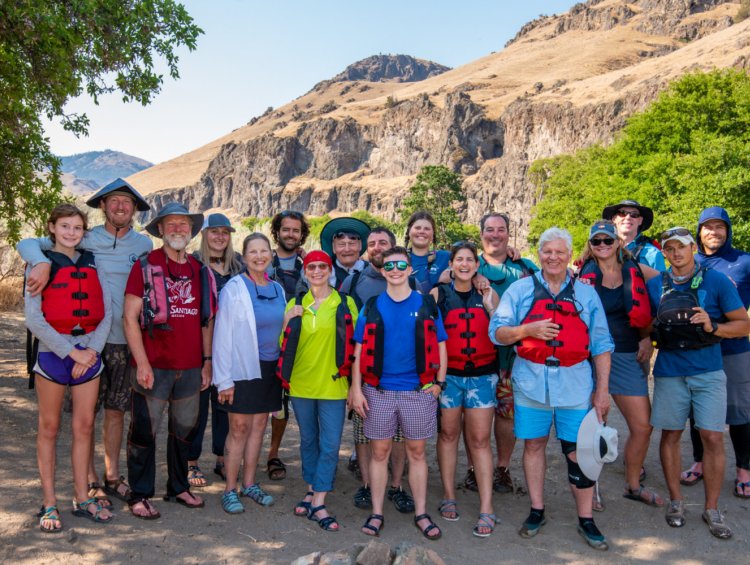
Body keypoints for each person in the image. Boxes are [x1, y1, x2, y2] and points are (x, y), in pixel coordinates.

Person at [18, 178, 152, 506]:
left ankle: (111, 476)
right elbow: (28, 244)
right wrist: (43, 262)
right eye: (114, 201)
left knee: (113, 410)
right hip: (72, 345)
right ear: (102, 206)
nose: (120, 206)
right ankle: (89, 481)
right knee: (78, 417)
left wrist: (92, 349)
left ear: (135, 209)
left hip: (119, 339)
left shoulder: (144, 246)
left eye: (127, 202)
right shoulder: (84, 239)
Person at [490, 227, 614, 551]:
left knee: (580, 451)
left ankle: (586, 517)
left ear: (568, 254)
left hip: (576, 384)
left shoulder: (586, 294)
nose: (553, 257)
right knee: (533, 446)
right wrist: (526, 330)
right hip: (531, 382)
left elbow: (601, 344)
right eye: (547, 252)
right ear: (540, 254)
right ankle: (537, 509)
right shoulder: (520, 290)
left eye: (560, 252)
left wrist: (602, 391)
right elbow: (497, 333)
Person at [648, 227, 750, 539]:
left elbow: (743, 324)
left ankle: (711, 508)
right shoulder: (655, 285)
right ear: (664, 253)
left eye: (682, 247)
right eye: (670, 248)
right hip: (669, 370)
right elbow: (643, 325)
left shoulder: (716, 280)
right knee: (671, 435)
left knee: (713, 438)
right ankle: (676, 502)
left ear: (693, 248)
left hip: (708, 369)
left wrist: (713, 325)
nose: (676, 253)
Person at [122, 202, 215, 519]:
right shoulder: (146, 265)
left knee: (183, 432)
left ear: (191, 231)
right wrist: (143, 363)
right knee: (143, 433)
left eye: (183, 224)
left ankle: (178, 487)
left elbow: (206, 321)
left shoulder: (200, 271)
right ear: (160, 229)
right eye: (171, 224)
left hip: (189, 368)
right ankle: (140, 493)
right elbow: (129, 318)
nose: (178, 229)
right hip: (154, 368)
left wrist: (206, 362)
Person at [349, 246, 448, 541]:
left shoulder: (426, 304)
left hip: (418, 392)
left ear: (409, 269)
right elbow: (358, 350)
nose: (394, 270)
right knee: (379, 453)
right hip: (378, 391)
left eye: (400, 265)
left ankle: (421, 512)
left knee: (417, 453)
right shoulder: (371, 305)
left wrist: (439, 384)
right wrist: (356, 389)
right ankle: (377, 512)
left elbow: (441, 344)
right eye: (389, 265)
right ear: (382, 270)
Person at [25, 204, 114, 531]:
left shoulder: (94, 263)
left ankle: (82, 496)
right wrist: (72, 353)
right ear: (52, 227)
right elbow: (34, 319)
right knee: (49, 428)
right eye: (65, 226)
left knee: (85, 427)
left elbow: (106, 313)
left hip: (89, 355)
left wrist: (90, 351)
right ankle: (49, 502)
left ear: (84, 231)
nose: (71, 233)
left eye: (77, 227)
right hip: (52, 356)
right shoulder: (39, 265)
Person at [577, 220, 663, 510]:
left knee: (643, 425)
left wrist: (647, 336)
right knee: (593, 425)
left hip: (626, 353)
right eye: (597, 241)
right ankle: (592, 488)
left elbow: (668, 279)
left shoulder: (636, 269)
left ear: (618, 242)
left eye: (607, 240)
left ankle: (633, 484)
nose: (602, 246)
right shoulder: (582, 276)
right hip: (590, 357)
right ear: (591, 245)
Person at [276, 250, 358, 532]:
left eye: (323, 266)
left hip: (334, 385)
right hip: (301, 385)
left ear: (330, 271)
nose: (318, 271)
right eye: (312, 267)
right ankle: (311, 489)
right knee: (309, 440)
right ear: (305, 272)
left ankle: (320, 499)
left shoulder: (345, 303)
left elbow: (357, 347)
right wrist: (288, 319)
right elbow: (281, 343)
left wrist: (355, 387)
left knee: (331, 443)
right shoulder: (296, 301)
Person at [340, 228, 415, 514]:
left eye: (382, 242)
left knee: (398, 435)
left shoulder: (411, 280)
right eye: (371, 244)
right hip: (364, 367)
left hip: (401, 372)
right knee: (363, 432)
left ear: (393, 247)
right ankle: (369, 484)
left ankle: (396, 485)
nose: (377, 247)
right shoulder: (354, 280)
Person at [464, 212, 538, 495]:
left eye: (501, 229)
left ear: (509, 233)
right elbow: (446, 268)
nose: (495, 235)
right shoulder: (469, 263)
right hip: (475, 355)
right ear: (481, 234)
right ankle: (472, 469)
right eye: (489, 230)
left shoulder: (524, 266)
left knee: (506, 415)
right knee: (473, 416)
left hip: (512, 356)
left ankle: (502, 469)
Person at [212, 233, 286, 514]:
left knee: (259, 427)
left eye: (264, 251)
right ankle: (230, 489)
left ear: (270, 254)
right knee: (239, 429)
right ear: (244, 257)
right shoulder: (234, 287)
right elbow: (223, 334)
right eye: (253, 252)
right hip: (242, 368)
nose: (259, 256)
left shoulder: (278, 289)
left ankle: (250, 483)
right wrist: (224, 380)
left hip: (269, 370)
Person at [680, 207, 750, 498]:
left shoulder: (743, 261)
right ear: (699, 232)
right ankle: (699, 462)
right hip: (697, 349)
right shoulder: (689, 261)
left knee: (739, 411)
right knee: (697, 410)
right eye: (707, 227)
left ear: (728, 230)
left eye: (720, 227)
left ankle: (744, 469)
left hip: (733, 347)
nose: (714, 232)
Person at [432, 242, 499, 537]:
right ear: (451, 263)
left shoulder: (487, 292)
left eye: (469, 260)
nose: (464, 264)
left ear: (476, 264)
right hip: (449, 378)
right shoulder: (437, 293)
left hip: (482, 377)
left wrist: (488, 300)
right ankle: (449, 494)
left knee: (481, 439)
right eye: (459, 259)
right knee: (448, 434)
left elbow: (499, 326)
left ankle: (487, 506)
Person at [188, 213, 244, 487]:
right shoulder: (193, 264)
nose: (220, 237)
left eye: (225, 232)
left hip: (230, 347)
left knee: (224, 402)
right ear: (204, 234)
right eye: (214, 231)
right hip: (198, 345)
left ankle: (222, 458)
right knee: (196, 405)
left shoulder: (239, 265)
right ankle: (191, 461)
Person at [265, 210, 311, 482]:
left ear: (302, 234)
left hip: (302, 347)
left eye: (296, 230)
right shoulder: (263, 263)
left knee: (289, 406)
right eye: (286, 229)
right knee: (267, 405)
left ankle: (274, 453)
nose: (291, 234)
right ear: (277, 231)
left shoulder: (310, 265)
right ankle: (262, 453)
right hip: (269, 344)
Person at [602, 199, 666, 271]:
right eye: (622, 213)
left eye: (634, 215)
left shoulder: (652, 253)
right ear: (614, 219)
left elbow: (661, 281)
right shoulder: (601, 248)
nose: (628, 217)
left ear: (640, 221)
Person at [404, 211, 450, 294]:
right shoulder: (398, 258)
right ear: (409, 232)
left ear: (433, 234)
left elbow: (470, 263)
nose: (422, 231)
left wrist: (477, 276)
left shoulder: (445, 257)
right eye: (417, 228)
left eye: (427, 229)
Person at [320, 217, 371, 289]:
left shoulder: (372, 271)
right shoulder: (321, 272)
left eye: (352, 244)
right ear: (334, 248)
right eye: (341, 244)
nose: (347, 249)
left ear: (360, 246)